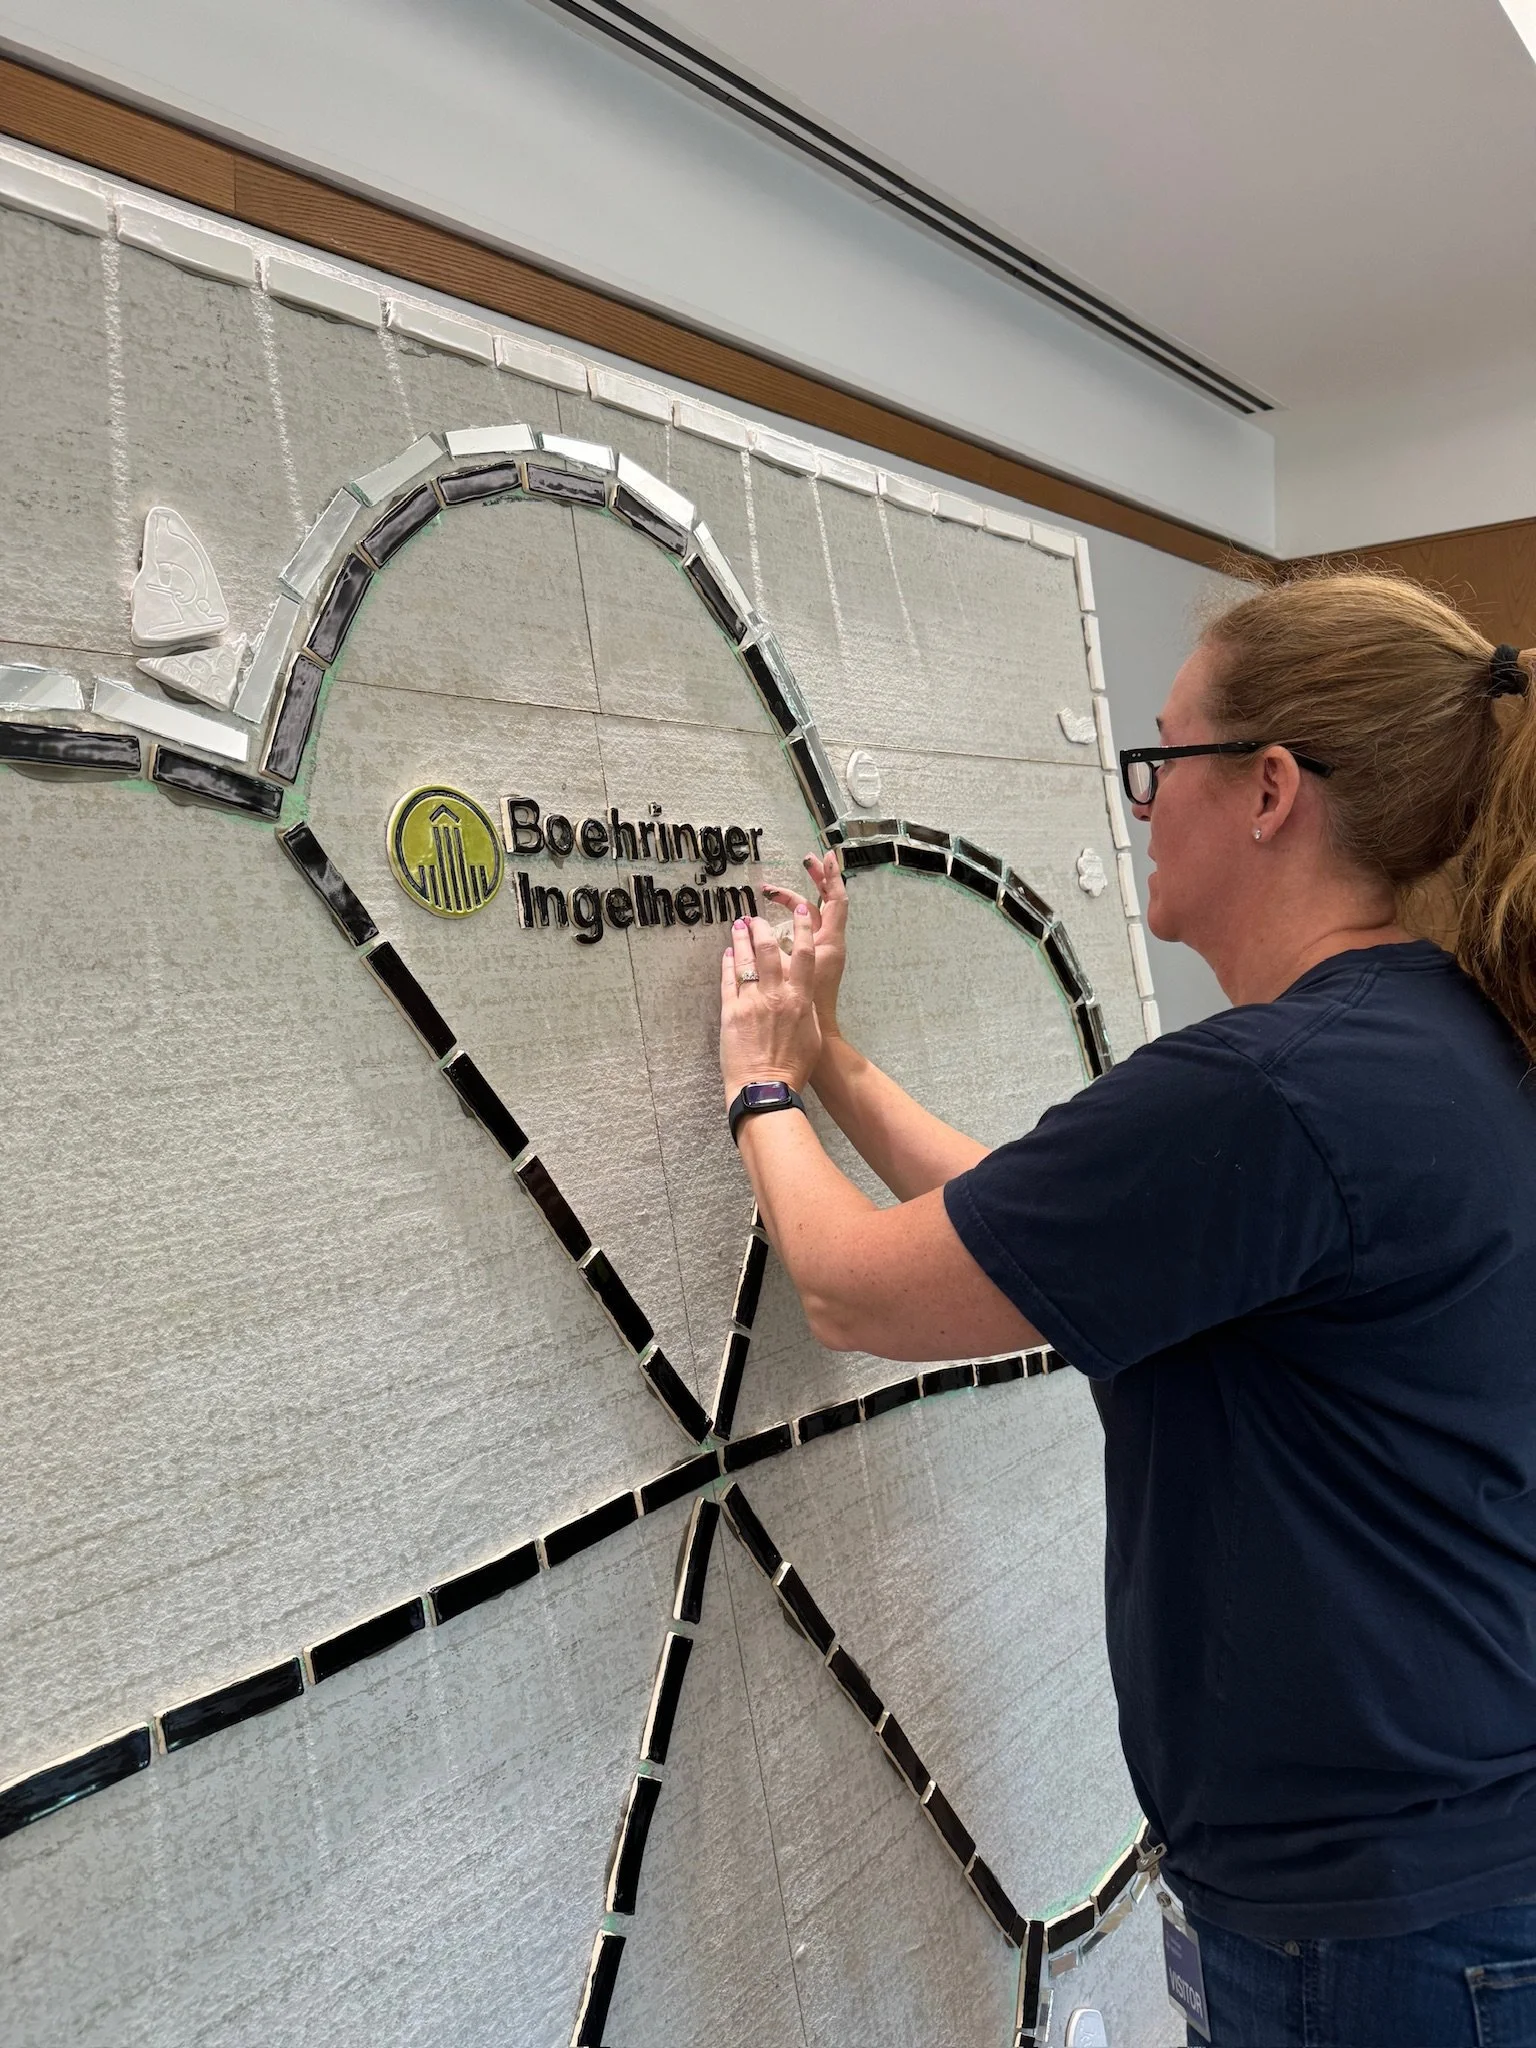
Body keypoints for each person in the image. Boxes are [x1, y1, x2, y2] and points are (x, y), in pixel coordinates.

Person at [717, 571, 1536, 2048]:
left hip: (1376, 1934)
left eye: (1162, 762)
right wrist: (832, 1066)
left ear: (1272, 787)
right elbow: (1036, 1232)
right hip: (1442, 1881)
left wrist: (757, 1077)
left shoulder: (1277, 1088)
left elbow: (849, 1285)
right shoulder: (1425, 1048)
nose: (1144, 806)